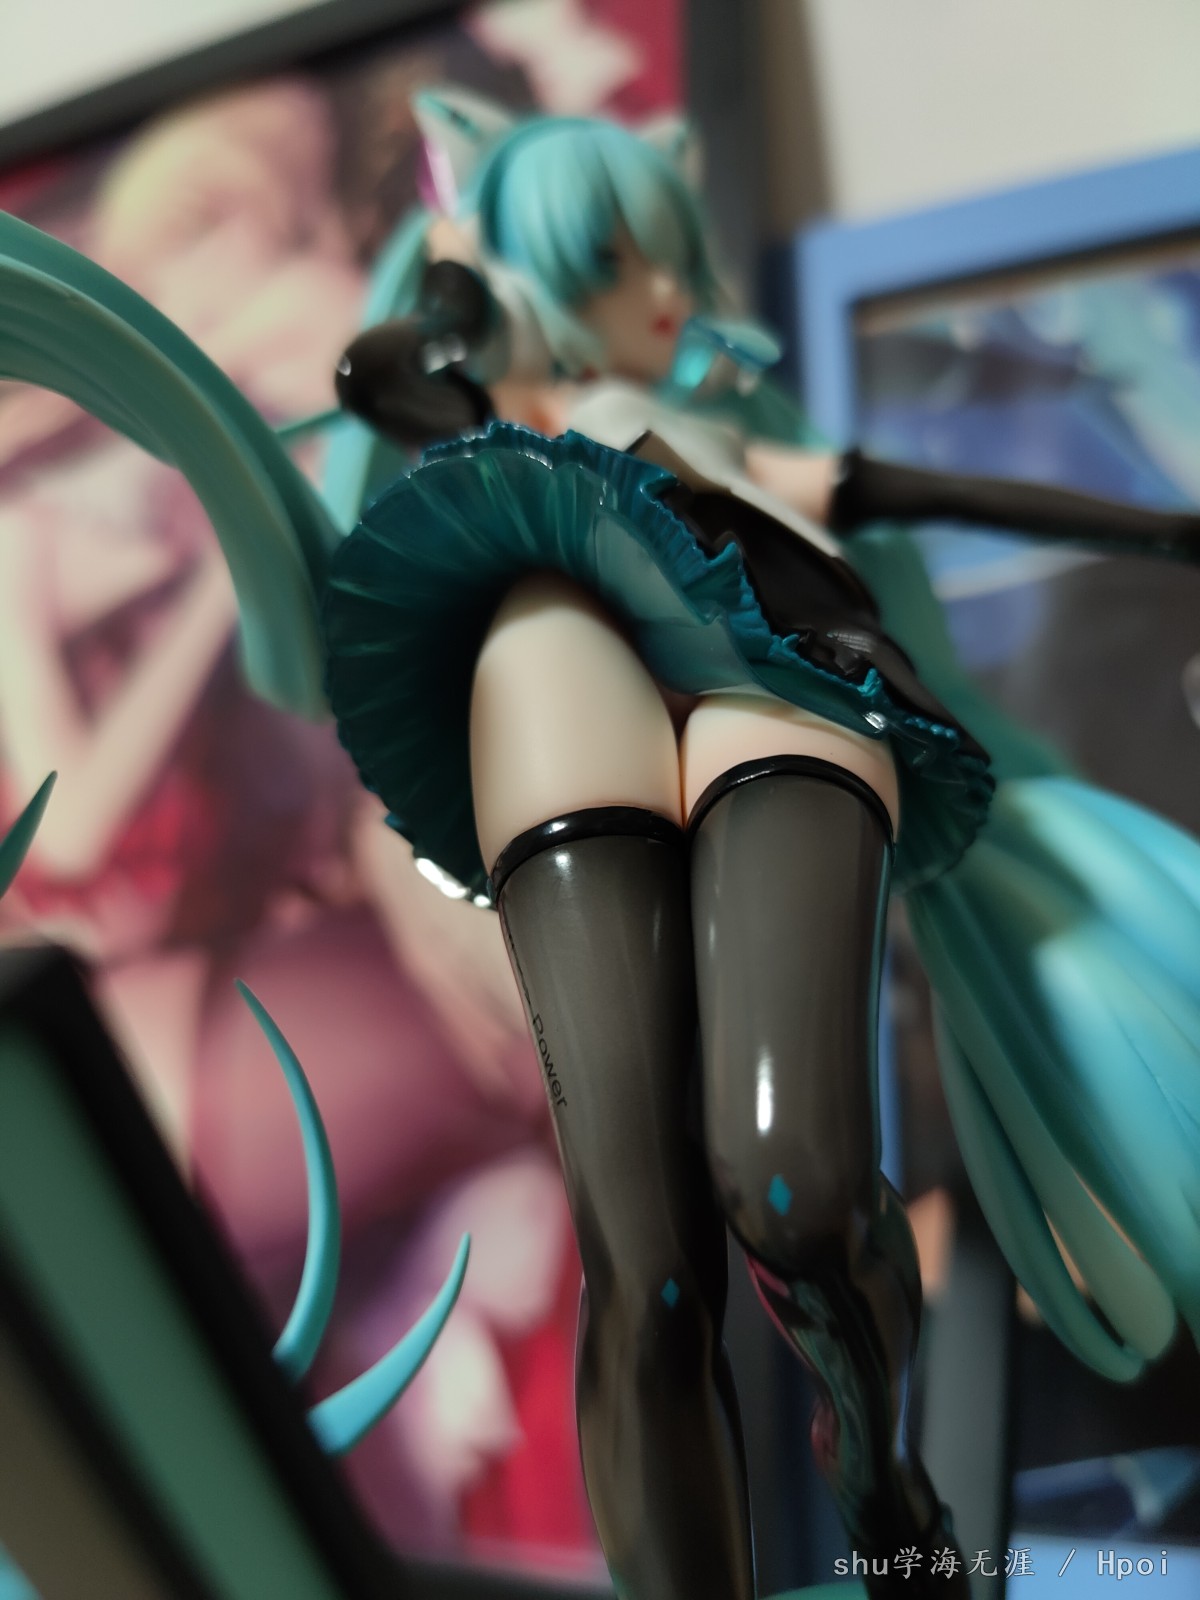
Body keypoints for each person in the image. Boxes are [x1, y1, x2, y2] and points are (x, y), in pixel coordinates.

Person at [2, 96, 1199, 1600]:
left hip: (774, 662)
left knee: (797, 1192)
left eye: (668, 252)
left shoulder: (725, 434)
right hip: (557, 648)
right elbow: (382, 374)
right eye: (618, 257)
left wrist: (1164, 532)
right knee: (648, 1258)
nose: (665, 290)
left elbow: (914, 492)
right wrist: (460, 263)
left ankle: (884, 1491)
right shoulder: (490, 407)